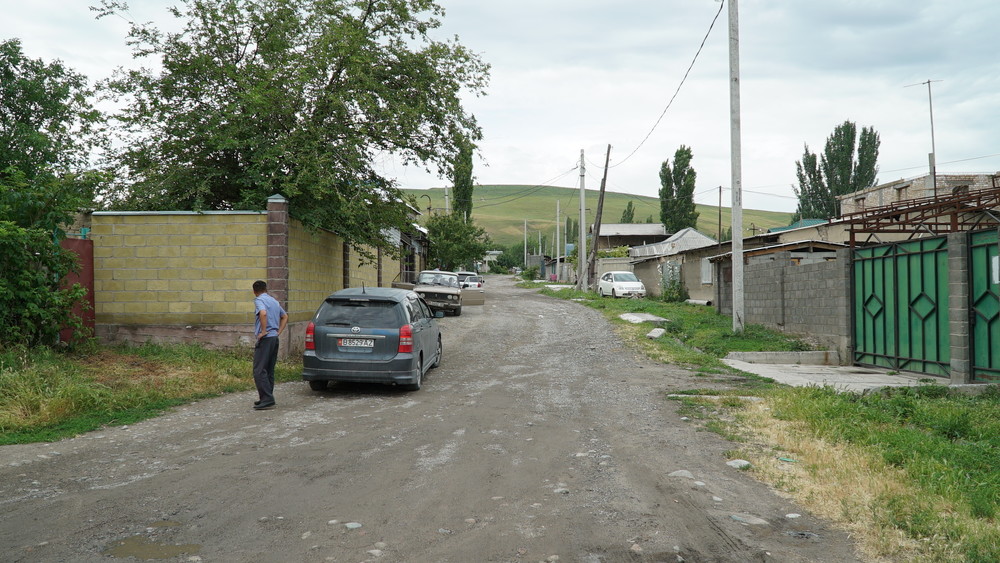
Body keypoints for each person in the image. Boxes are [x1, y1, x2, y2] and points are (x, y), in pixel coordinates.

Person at [251, 280, 287, 410]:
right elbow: (285, 316)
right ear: (266, 289)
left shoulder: (259, 300)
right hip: (274, 338)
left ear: (254, 291)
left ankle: (267, 398)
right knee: (268, 369)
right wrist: (278, 332)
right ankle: (267, 396)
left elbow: (263, 313)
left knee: (259, 370)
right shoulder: (274, 301)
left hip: (266, 339)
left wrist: (264, 331)